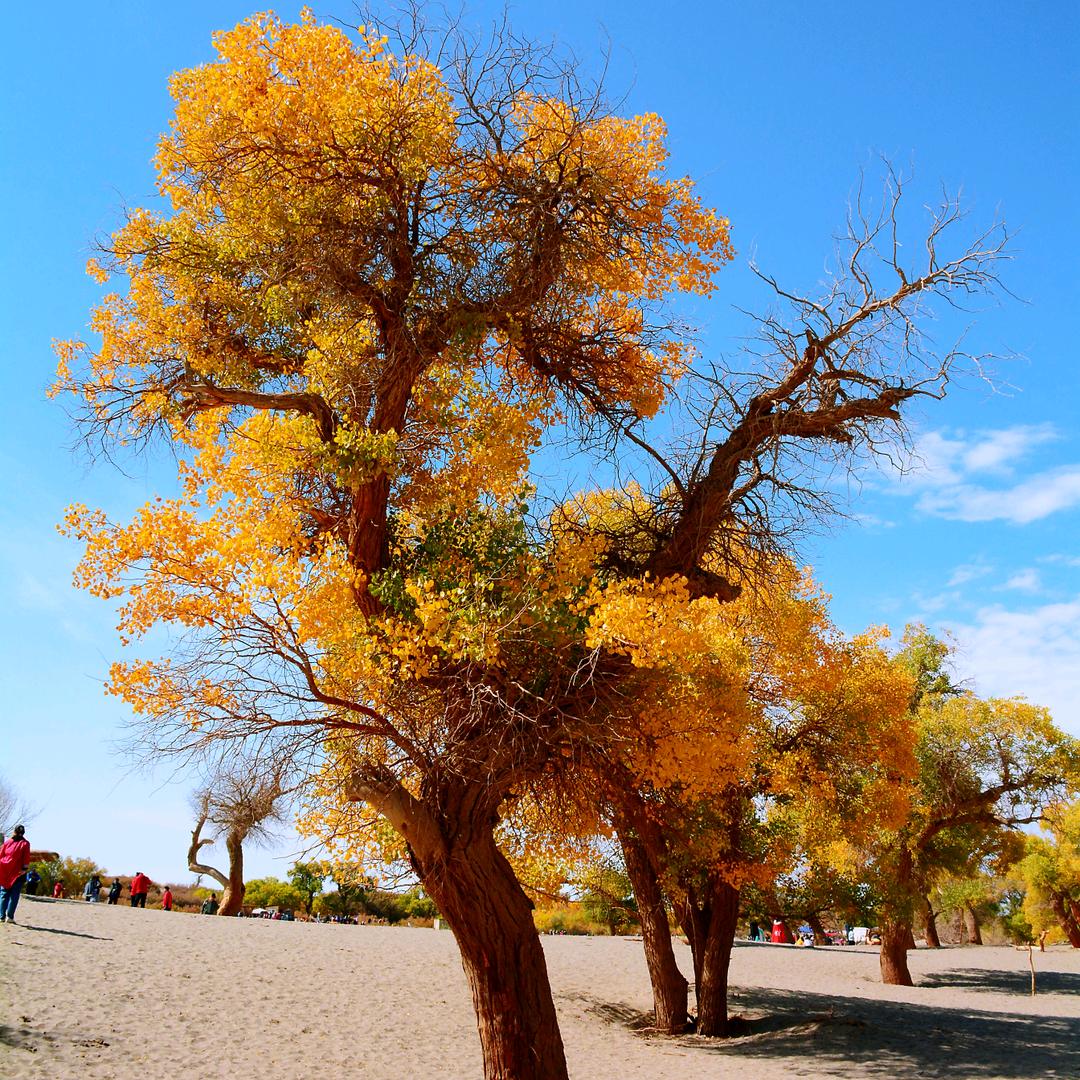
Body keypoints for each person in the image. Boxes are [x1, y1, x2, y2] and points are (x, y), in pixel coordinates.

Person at [0, 824, 32, 923]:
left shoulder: (7, 843)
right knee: (14, 895)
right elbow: (26, 858)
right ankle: (10, 916)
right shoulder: (25, 843)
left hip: (5, 871)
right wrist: (24, 869)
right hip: (18, 872)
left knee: (4, 894)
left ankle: (1, 916)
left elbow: (1, 855)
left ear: (14, 831)